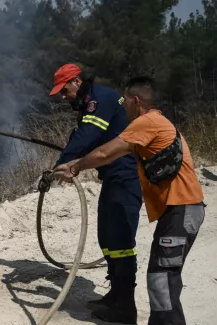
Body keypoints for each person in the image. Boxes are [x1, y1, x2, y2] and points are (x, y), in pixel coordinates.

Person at [54, 76, 205, 325]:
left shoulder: (145, 123)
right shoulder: (153, 123)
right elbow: (106, 156)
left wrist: (74, 165)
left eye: (126, 102)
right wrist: (74, 164)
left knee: (162, 280)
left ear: (136, 101)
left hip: (183, 209)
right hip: (179, 211)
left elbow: (104, 152)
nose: (122, 106)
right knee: (161, 278)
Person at [48, 64, 143, 323]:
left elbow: (89, 135)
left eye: (64, 90)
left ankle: (125, 307)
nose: (63, 96)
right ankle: (116, 295)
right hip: (113, 178)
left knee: (121, 243)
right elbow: (82, 135)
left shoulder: (99, 100)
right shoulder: (94, 99)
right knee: (107, 239)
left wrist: (64, 163)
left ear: (76, 81)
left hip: (126, 176)